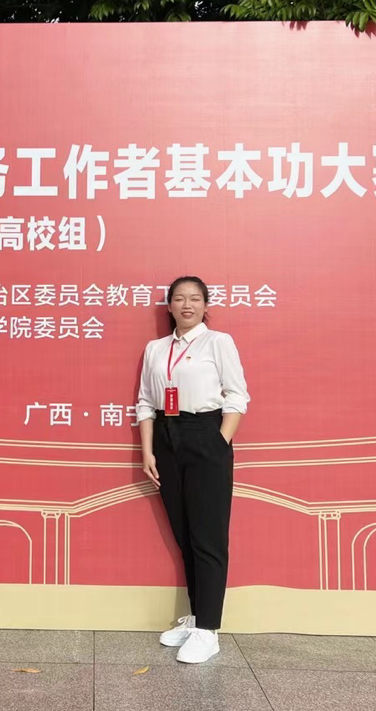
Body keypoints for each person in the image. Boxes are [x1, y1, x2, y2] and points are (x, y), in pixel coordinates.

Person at [136, 275, 249, 664]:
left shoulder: (218, 342)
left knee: (208, 537)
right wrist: (148, 451)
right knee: (185, 534)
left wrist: (219, 442)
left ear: (205, 305)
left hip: (205, 435)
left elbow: (237, 395)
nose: (187, 305)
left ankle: (209, 630)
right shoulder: (155, 349)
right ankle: (198, 616)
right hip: (166, 439)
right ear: (169, 306)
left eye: (195, 299)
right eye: (180, 299)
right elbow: (145, 402)